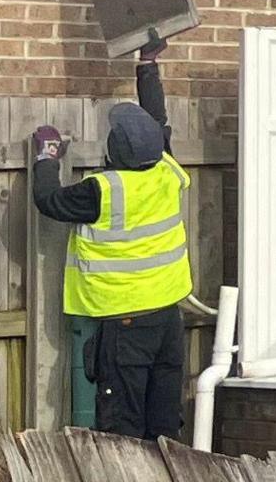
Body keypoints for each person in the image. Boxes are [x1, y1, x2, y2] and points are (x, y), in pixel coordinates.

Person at [28, 42, 191, 439]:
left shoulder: (103, 190)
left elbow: (49, 200)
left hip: (126, 321)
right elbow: (158, 119)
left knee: (123, 427)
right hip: (169, 319)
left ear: (113, 151)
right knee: (164, 424)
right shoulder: (167, 170)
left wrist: (47, 157)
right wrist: (147, 66)